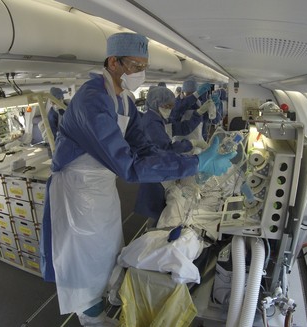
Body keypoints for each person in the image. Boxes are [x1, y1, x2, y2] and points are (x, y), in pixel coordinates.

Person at [42, 32, 235, 326]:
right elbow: (129, 167)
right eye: (134, 65)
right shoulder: (91, 100)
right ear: (113, 62)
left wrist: (187, 162)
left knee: (108, 250)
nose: (140, 73)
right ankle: (89, 317)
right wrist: (195, 163)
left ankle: (101, 307)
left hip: (102, 187)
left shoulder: (125, 102)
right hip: (79, 190)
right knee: (84, 257)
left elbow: (144, 148)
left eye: (143, 66)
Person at [133, 86, 193, 222]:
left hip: (155, 168)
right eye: (167, 105)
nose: (169, 109)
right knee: (157, 215)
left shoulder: (156, 118)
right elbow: (165, 149)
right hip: (154, 170)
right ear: (156, 103)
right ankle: (154, 237)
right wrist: (189, 146)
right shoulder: (151, 122)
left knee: (159, 214)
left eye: (171, 106)